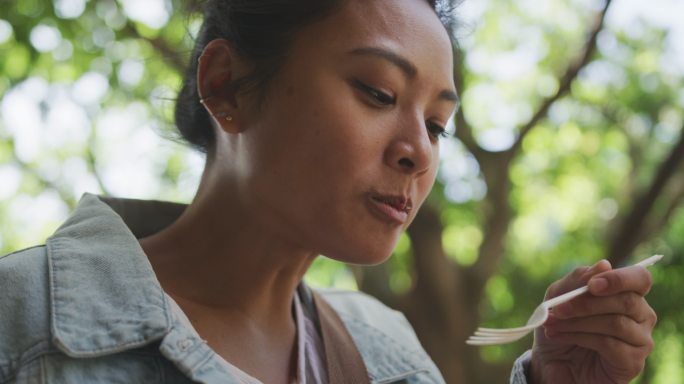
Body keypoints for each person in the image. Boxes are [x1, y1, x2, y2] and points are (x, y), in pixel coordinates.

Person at [0, 0, 656, 383]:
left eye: (437, 125)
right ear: (226, 85)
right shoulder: (21, 323)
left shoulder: (390, 354)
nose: (418, 151)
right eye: (377, 93)